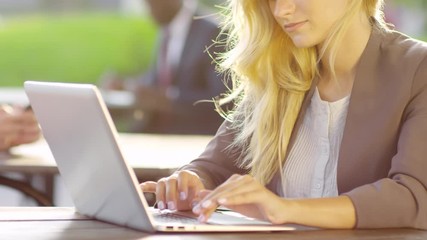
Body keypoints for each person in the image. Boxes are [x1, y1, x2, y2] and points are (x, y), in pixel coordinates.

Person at [140, 0, 427, 230]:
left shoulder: (417, 69)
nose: (280, 10)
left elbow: (414, 195)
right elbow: (214, 165)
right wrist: (189, 181)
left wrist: (283, 209)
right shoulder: (279, 73)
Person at [105, 0, 227, 135]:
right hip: (157, 136)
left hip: (193, 138)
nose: (148, 10)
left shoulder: (214, 32)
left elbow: (222, 101)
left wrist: (167, 100)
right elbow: (157, 81)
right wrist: (127, 86)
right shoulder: (167, 30)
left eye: (151, 3)